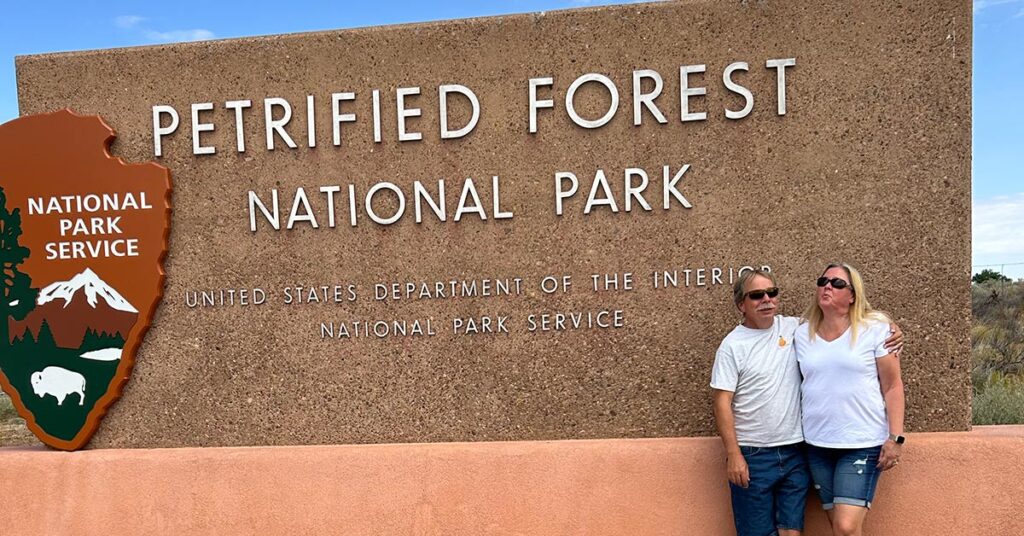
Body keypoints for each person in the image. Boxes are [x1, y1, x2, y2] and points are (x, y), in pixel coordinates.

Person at [711, 268, 902, 536]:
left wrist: (892, 329)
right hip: (755, 454)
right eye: (756, 295)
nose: (766, 299)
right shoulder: (733, 346)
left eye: (772, 292)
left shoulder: (794, 328)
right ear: (741, 304)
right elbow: (721, 402)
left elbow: (847, 322)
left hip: (795, 452)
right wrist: (734, 455)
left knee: (798, 531)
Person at [795, 263, 906, 536]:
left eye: (837, 283)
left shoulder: (876, 330)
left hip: (861, 443)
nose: (827, 287)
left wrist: (896, 437)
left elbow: (892, 386)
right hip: (817, 445)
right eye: (823, 281)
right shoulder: (800, 333)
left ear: (853, 295)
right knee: (841, 528)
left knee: (845, 527)